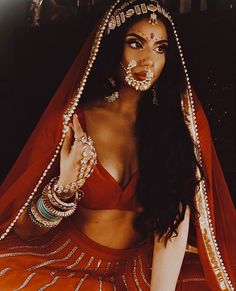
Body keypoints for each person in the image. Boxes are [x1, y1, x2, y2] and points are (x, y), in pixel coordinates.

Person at [0, 0, 234, 290]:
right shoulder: (75, 120)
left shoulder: (177, 128)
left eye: (160, 48)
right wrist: (64, 189)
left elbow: (172, 228)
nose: (148, 59)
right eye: (136, 44)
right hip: (62, 262)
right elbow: (22, 229)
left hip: (141, 270)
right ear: (112, 48)